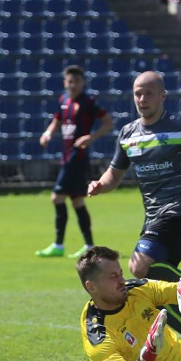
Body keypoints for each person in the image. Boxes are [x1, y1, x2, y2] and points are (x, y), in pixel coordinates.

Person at [87, 71, 181, 358]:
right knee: (157, 289)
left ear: (162, 96)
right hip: (153, 219)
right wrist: (99, 185)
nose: (142, 99)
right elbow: (113, 176)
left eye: (148, 93)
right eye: (137, 93)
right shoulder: (128, 134)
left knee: (138, 266)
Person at [36, 65, 114, 259]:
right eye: (69, 81)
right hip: (67, 156)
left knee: (57, 197)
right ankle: (89, 245)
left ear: (83, 82)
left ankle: (59, 244)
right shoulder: (63, 99)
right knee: (77, 200)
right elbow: (57, 120)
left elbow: (109, 123)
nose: (73, 85)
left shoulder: (88, 102)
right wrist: (47, 133)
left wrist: (91, 137)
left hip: (77, 157)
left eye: (76, 81)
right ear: (65, 82)